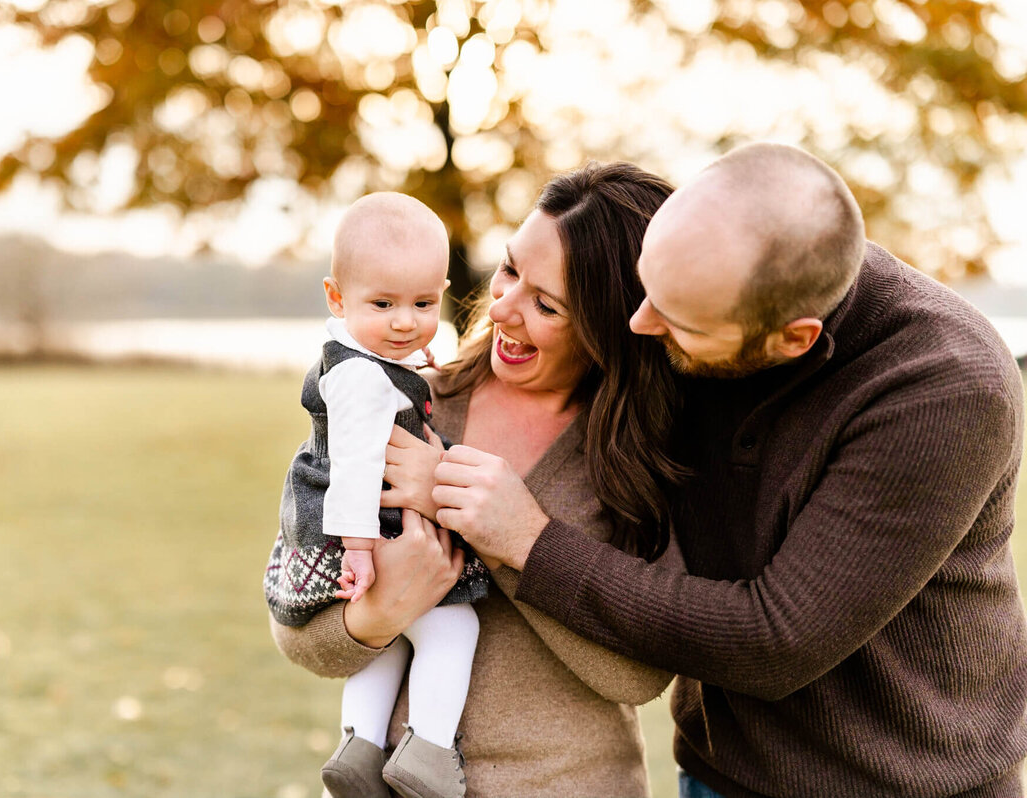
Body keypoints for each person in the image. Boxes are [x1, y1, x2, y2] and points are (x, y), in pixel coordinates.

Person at [433, 142, 1027, 798]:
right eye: (644, 290)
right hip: (722, 776)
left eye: (674, 319)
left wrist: (530, 544)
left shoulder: (942, 388)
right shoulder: (705, 287)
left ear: (792, 340)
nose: (639, 323)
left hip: (908, 786)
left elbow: (776, 640)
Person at [270, 162, 685, 796]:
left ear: (609, 328)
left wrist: (511, 537)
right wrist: (379, 613)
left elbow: (638, 676)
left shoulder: (639, 452)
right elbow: (294, 625)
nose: (504, 308)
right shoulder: (404, 401)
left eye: (546, 304)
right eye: (511, 269)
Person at [264, 192, 489, 798]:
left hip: (352, 523)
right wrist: (359, 548)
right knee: (451, 628)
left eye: (422, 303)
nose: (404, 322)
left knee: (389, 639)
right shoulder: (362, 377)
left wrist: (415, 367)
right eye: (383, 304)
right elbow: (360, 466)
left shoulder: (365, 356)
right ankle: (431, 752)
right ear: (336, 297)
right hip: (365, 526)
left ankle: (359, 746)